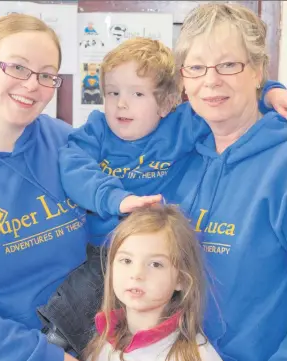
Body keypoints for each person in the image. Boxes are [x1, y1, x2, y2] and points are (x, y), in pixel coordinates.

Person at [0, 13, 94, 361]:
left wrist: (263, 94)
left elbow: (155, 128)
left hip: (95, 354)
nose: (32, 85)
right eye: (17, 67)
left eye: (47, 74)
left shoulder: (67, 142)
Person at [160, 3, 287, 361]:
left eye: (229, 65)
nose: (210, 81)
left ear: (258, 72)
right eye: (196, 67)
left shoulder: (280, 165)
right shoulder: (181, 159)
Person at [58, 37, 286, 247]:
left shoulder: (183, 124)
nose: (121, 104)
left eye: (137, 94)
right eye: (113, 93)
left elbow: (229, 98)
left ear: (167, 104)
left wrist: (269, 93)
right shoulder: (97, 130)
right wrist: (117, 199)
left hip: (164, 247)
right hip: (105, 248)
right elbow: (74, 167)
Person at [84, 204, 230, 361]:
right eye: (126, 260)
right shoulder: (100, 347)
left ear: (182, 279)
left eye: (155, 264)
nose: (136, 274)